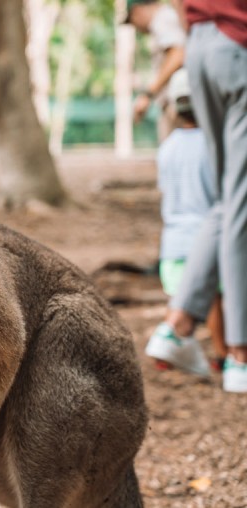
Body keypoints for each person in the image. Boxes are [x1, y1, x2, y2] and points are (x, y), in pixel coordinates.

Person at [146, 1, 247, 393]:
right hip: (238, 41)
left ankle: (178, 325)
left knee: (228, 197)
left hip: (201, 44)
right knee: (239, 200)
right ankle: (241, 355)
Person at [146, 68, 225, 377]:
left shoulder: (167, 148)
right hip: (204, 238)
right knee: (216, 300)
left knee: (180, 297)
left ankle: (171, 343)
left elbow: (167, 191)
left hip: (173, 238)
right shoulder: (213, 146)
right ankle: (222, 354)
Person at [123, 0, 186, 141]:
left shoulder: (162, 19)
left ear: (137, 11)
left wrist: (148, 93)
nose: (136, 27)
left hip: (179, 103)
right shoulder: (164, 19)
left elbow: (178, 53)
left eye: (132, 21)